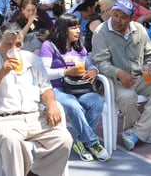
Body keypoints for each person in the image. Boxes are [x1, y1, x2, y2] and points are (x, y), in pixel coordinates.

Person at [0, 22, 72, 176]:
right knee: (12, 142)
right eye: (8, 45)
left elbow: (45, 88)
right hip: (1, 121)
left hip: (33, 117)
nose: (14, 49)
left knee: (63, 140)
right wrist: (0, 75)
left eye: (18, 44)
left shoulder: (32, 59)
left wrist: (51, 103)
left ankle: (35, 174)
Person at [92, 0, 151, 150]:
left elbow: (150, 53)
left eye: (123, 17)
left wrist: (150, 65)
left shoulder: (139, 29)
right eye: (115, 15)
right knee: (127, 97)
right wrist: (119, 73)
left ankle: (136, 133)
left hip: (140, 77)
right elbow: (100, 63)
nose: (117, 20)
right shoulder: (101, 32)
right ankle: (141, 132)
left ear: (130, 18)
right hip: (114, 81)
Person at [38, 14, 110, 162]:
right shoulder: (49, 46)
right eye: (74, 27)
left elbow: (90, 64)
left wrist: (94, 71)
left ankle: (82, 142)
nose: (78, 31)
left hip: (78, 87)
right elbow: (43, 72)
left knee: (96, 101)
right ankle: (93, 143)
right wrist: (65, 72)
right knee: (73, 106)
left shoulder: (79, 46)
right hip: (56, 88)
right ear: (64, 29)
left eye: (78, 27)